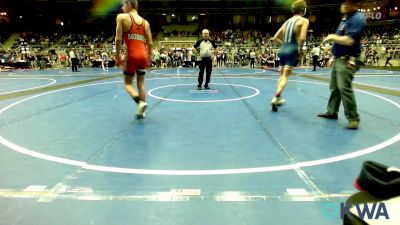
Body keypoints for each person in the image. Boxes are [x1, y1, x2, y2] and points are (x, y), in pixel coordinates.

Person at [318, 0, 366, 129]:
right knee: (334, 87)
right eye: (343, 3)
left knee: (344, 87)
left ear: (354, 5)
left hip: (348, 59)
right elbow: (341, 38)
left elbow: (349, 41)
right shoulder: (345, 19)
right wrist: (333, 56)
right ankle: (332, 111)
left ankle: (353, 118)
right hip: (339, 58)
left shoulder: (357, 19)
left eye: (348, 3)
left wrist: (332, 37)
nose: (343, 5)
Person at [115, 0, 153, 119]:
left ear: (129, 4)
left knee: (127, 83)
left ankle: (139, 103)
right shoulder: (145, 23)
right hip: (143, 55)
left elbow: (118, 40)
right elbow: (150, 43)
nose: (122, 8)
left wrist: (118, 57)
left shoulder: (121, 17)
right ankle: (141, 112)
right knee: (141, 83)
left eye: (123, 5)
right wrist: (149, 57)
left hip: (131, 55)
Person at [270, 0, 309, 111]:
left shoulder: (287, 22)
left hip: (283, 49)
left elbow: (275, 37)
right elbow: (302, 38)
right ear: (303, 9)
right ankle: (276, 97)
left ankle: (278, 97)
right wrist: (300, 52)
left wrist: (284, 45)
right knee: (285, 77)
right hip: (292, 49)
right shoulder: (304, 20)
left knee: (281, 75)